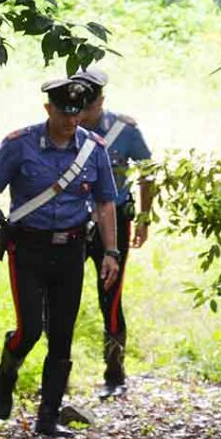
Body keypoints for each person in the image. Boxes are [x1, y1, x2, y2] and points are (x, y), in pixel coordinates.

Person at [0, 78, 121, 437]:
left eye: (77, 113)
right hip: (28, 249)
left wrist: (111, 251)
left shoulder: (93, 149)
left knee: (62, 335)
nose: (72, 120)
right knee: (30, 331)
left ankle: (48, 418)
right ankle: (7, 371)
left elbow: (105, 202)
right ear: (48, 110)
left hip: (71, 249)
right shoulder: (19, 145)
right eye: (64, 112)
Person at [71, 67, 155, 400]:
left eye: (89, 108)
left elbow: (148, 172)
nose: (83, 115)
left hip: (115, 222)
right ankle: (57, 374)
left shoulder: (125, 130)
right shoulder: (66, 126)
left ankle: (115, 373)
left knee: (112, 296)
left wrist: (145, 218)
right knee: (63, 296)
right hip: (72, 221)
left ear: (101, 101)